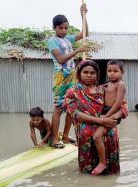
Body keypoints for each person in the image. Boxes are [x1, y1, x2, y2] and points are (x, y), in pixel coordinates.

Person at [64, 60, 128, 175]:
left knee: (110, 177)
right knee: (87, 175)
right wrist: (102, 120)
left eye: (92, 73)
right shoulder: (73, 92)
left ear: (97, 74)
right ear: (79, 73)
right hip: (87, 139)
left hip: (108, 135)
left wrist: (113, 117)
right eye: (85, 72)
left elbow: (123, 108)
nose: (89, 75)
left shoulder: (104, 89)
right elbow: (75, 113)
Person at [48, 4, 89, 149]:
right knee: (59, 108)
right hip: (61, 77)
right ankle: (54, 139)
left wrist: (82, 15)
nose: (64, 31)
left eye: (66, 28)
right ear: (55, 28)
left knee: (72, 107)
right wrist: (78, 50)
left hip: (72, 77)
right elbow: (60, 59)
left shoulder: (68, 39)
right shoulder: (53, 40)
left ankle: (65, 136)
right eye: (60, 28)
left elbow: (85, 33)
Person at [91, 60, 126, 175]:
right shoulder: (108, 84)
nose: (112, 73)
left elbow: (118, 103)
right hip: (106, 112)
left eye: (115, 71)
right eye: (109, 71)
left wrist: (106, 116)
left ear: (122, 72)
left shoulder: (120, 84)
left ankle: (102, 163)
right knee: (96, 136)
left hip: (112, 113)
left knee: (96, 137)